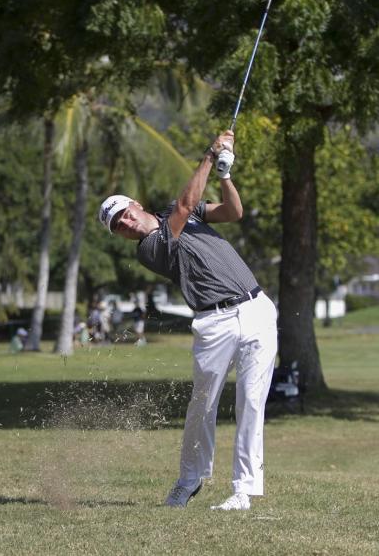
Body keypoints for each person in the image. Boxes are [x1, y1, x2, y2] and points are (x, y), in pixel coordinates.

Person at [98, 128, 277, 512]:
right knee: (203, 404)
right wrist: (211, 157)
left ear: (136, 203)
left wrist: (226, 174)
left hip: (256, 308)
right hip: (214, 323)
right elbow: (184, 205)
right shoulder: (151, 249)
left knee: (251, 401)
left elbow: (233, 212)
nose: (127, 223)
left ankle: (244, 490)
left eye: (125, 214)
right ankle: (189, 479)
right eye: (119, 226)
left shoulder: (178, 211)